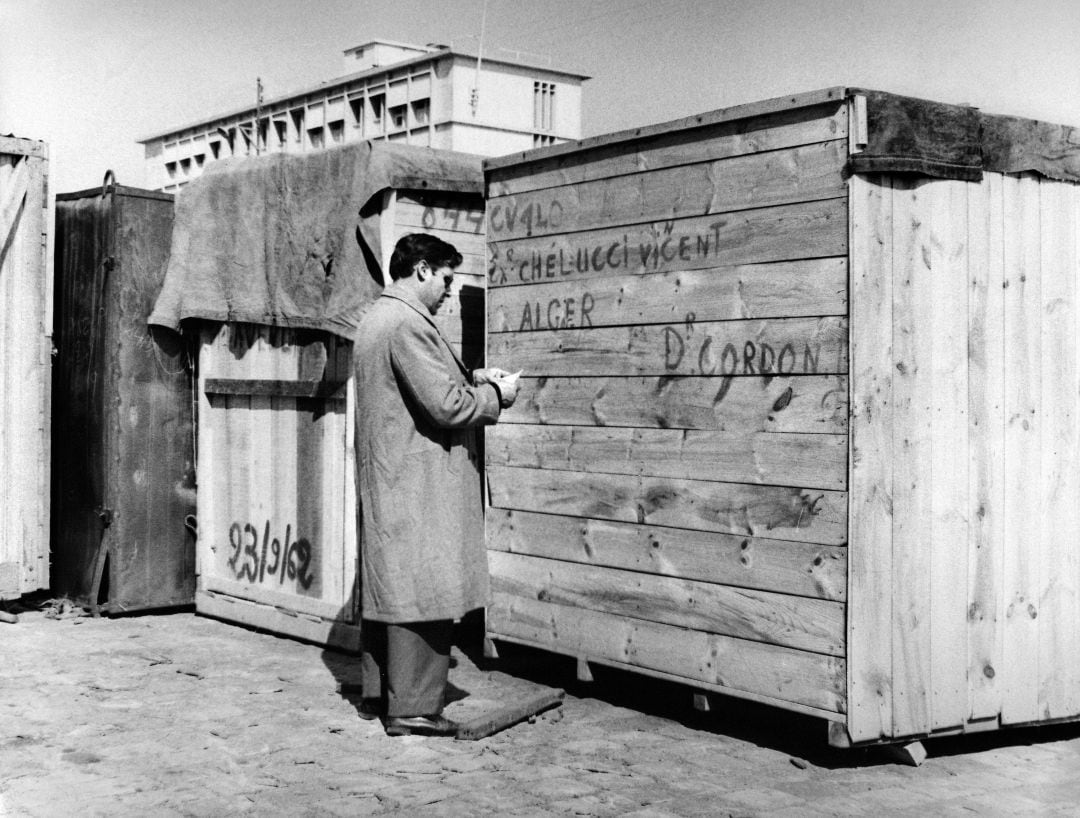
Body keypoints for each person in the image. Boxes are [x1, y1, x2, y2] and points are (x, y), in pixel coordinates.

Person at [352, 232, 519, 737]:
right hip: (417, 481)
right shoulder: (407, 324)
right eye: (446, 279)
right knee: (424, 588)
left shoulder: (379, 317)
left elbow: (422, 385)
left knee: (393, 584)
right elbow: (446, 407)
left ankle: (382, 693)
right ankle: (415, 707)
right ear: (422, 269)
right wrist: (496, 395)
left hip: (394, 476)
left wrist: (472, 375)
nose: (449, 291)